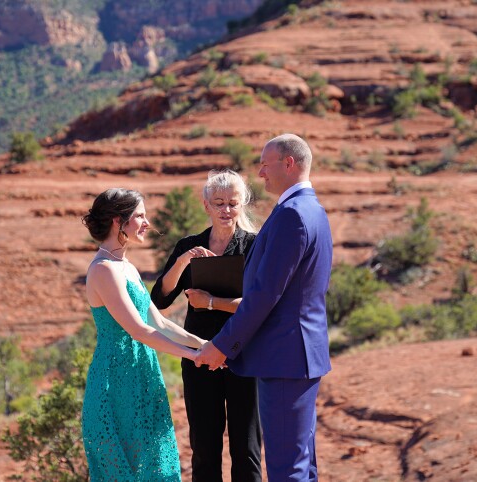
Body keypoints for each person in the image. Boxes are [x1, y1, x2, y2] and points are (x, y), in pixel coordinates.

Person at [194, 134, 333, 481]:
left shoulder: (292, 215)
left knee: (288, 470)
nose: (260, 172)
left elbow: (264, 294)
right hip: (298, 355)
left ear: (288, 163)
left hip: (285, 358)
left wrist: (221, 346)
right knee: (301, 463)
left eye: (265, 163)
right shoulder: (310, 208)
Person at [81, 188, 206, 481]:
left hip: (143, 374)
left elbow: (159, 322)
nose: (147, 222)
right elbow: (138, 330)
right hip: (115, 380)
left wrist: (203, 344)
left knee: (155, 464)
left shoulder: (127, 267)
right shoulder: (103, 270)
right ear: (117, 221)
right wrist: (192, 355)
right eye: (139, 216)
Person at [151, 170, 263, 482]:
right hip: (199, 357)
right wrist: (183, 260)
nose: (226, 210)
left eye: (232, 203)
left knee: (247, 449)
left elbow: (259, 306)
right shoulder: (190, 245)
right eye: (219, 203)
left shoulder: (254, 245)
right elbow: (160, 298)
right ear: (206, 206)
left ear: (242, 205)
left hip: (244, 357)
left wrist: (211, 302)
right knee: (203, 449)